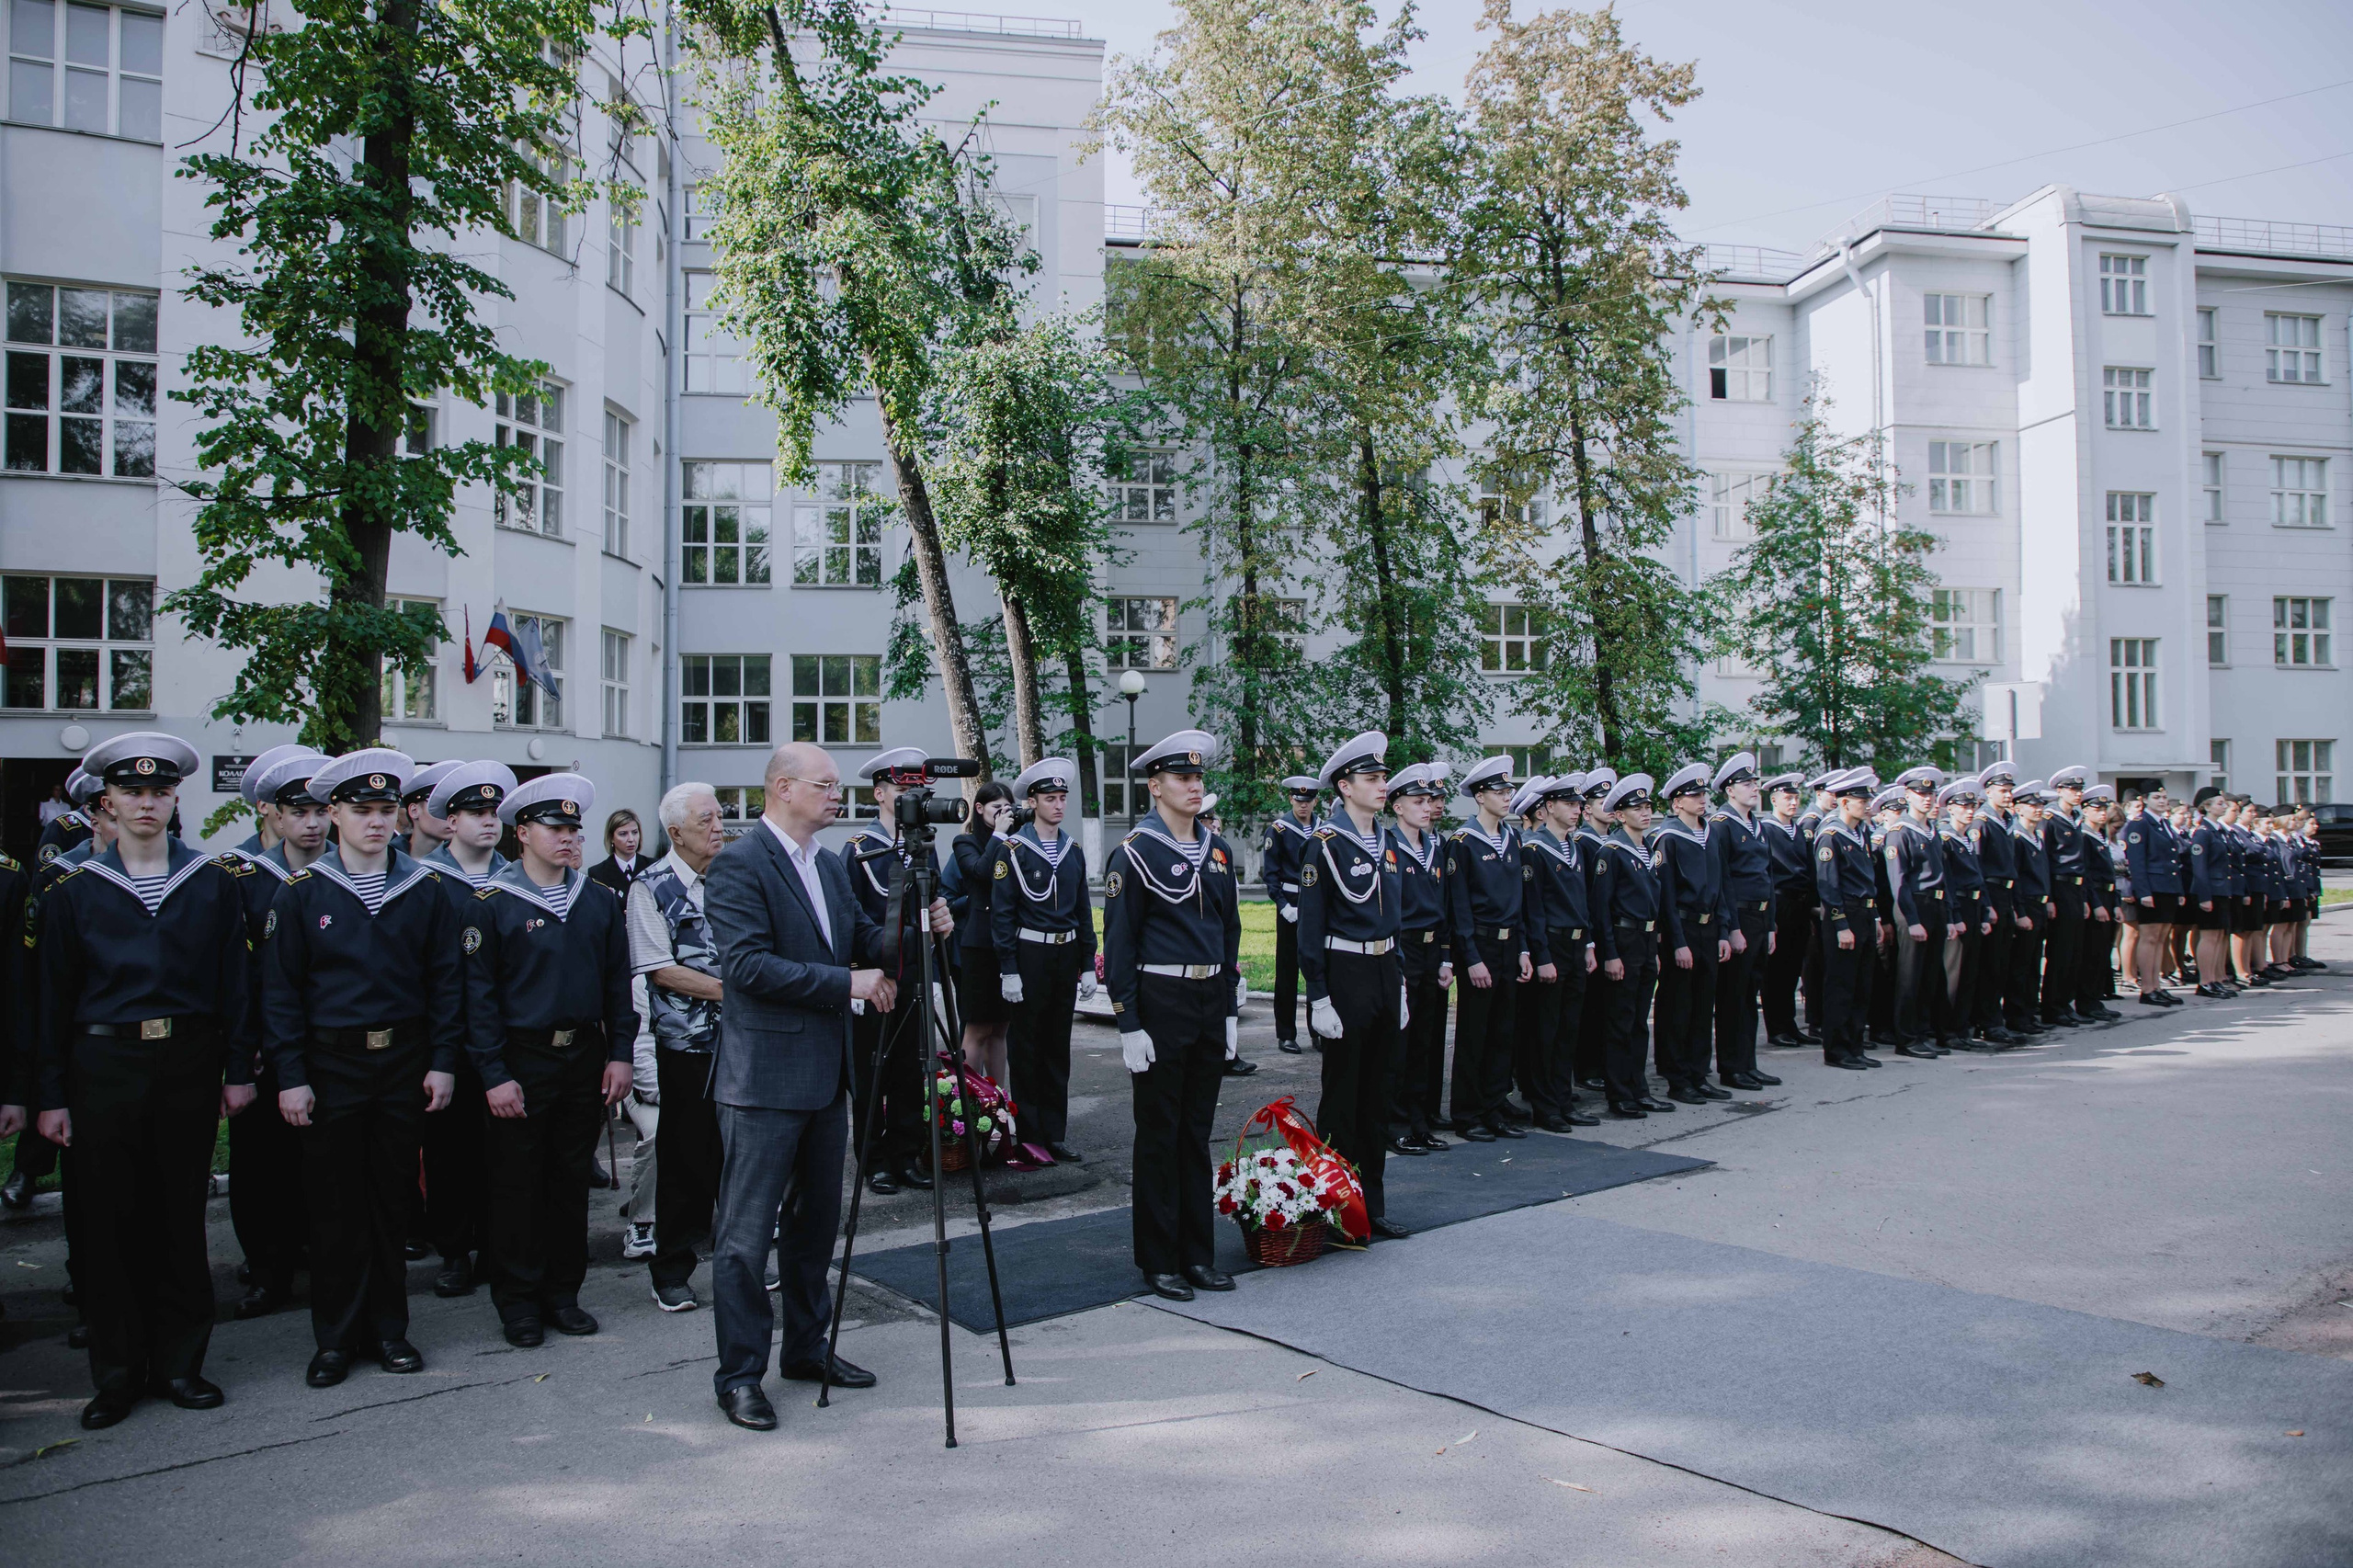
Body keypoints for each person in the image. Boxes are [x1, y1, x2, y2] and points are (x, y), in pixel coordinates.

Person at [35, 733, 252, 1430]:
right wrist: (48, 1094)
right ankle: (117, 1373)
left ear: (173, 801)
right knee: (106, 1224)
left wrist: (239, 1070)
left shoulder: (210, 881)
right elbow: (48, 1001)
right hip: (102, 1067)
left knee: (177, 1218)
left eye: (159, 792)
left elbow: (234, 985)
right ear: (108, 802)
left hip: (186, 1063)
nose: (147, 803)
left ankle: (182, 1362)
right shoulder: (72, 890)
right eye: (133, 792)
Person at [701, 741, 913, 1432]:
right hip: (763, 1077)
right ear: (783, 788)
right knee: (744, 1234)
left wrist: (919, 924)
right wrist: (845, 983)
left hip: (826, 1077)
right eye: (824, 785)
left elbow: (865, 942)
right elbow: (747, 967)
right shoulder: (738, 863)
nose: (837, 795)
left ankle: (805, 1348)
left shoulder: (828, 866)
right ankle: (738, 1375)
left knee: (815, 1226)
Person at [264, 748, 463, 1390]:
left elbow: (445, 983)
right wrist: (291, 1075)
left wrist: (441, 1063)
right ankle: (336, 1339)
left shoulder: (424, 889)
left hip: (403, 1062)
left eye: (384, 810)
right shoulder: (300, 894)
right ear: (334, 815)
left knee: (389, 1205)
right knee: (333, 1208)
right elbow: (280, 994)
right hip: (331, 1065)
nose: (374, 822)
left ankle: (388, 1331)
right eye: (360, 810)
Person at [463, 776, 638, 1349]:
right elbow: (477, 997)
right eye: (555, 829)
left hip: (583, 1055)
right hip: (521, 1058)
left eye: (574, 830)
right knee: (516, 1185)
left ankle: (564, 1293)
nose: (568, 839)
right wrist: (493, 1072)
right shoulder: (491, 903)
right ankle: (517, 1301)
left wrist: (619, 1056)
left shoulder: (597, 900)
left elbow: (618, 984)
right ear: (523, 834)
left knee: (568, 1184)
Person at [1101, 731, 1243, 1302]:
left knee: (1197, 1133)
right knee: (1159, 1136)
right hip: (1161, 1002)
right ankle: (1160, 1260)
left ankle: (1197, 1254)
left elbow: (1229, 933)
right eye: (1182, 778)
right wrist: (1129, 1023)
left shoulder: (1218, 849)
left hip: (1208, 1001)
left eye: (1198, 777)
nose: (1194, 786)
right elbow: (1120, 945)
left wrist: (1230, 1007)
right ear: (1155, 787)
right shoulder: (1133, 852)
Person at [225, 751, 330, 1320]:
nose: (312, 822)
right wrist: (244, 1052)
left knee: (323, 1163)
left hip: (332, 1046)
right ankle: (268, 1270)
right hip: (268, 1048)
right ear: (275, 815)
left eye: (321, 810)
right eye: (299, 810)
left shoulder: (355, 871)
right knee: (262, 1166)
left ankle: (318, 1257)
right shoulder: (242, 879)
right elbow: (236, 978)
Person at [1294, 733, 1409, 1241]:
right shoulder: (1323, 845)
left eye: (1383, 778)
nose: (1382, 786)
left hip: (1384, 973)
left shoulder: (1386, 841)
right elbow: (1310, 926)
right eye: (1372, 779)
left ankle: (1374, 1205)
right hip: (1345, 974)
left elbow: (1396, 918)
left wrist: (1400, 982)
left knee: (1378, 1096)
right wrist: (1317, 995)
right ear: (1345, 786)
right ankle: (1338, 1207)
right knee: (1342, 1098)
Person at [415, 760, 517, 1296]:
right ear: (449, 821)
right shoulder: (424, 881)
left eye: (495, 811)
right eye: (475, 812)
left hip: (505, 1036)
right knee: (450, 1150)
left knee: (502, 1152)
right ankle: (455, 1250)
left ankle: (499, 1247)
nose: (488, 821)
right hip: (448, 1038)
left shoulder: (517, 877)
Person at [629, 783, 728, 1312]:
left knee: (741, 1157)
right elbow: (659, 968)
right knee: (687, 1157)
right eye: (706, 821)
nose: (719, 827)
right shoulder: (651, 886)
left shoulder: (734, 874)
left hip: (742, 1041)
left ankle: (743, 1261)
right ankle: (671, 1268)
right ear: (675, 833)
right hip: (686, 1046)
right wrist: (735, 990)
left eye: (719, 816)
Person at [846, 749, 944, 1195]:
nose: (912, 797)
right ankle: (875, 1161)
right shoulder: (857, 852)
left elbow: (935, 900)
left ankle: (907, 1153)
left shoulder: (922, 845)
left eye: (916, 789)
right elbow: (849, 920)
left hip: (915, 974)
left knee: (912, 1068)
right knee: (872, 1074)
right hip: (872, 979)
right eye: (903, 789)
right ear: (880, 794)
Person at [994, 756, 1098, 1165]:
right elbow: (1002, 914)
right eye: (1050, 798)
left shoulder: (1072, 850)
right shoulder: (1014, 850)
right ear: (1032, 802)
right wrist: (1009, 969)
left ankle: (1055, 1134)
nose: (1058, 805)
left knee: (1057, 1047)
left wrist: (1087, 961)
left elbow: (1083, 909)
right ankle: (1029, 1136)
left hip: (1064, 953)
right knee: (1026, 1047)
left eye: (1062, 798)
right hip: (1030, 955)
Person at [1445, 756, 1533, 1141]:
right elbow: (1458, 907)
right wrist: (1471, 958)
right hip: (1479, 943)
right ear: (1480, 797)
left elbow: (1520, 901)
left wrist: (1525, 949)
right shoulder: (1462, 842)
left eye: (1509, 790)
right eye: (1500, 792)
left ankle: (1495, 1107)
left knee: (1503, 1031)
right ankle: (1467, 1113)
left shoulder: (1512, 837)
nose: (1507, 797)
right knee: (1474, 1033)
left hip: (1510, 943)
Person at [1650, 764, 1733, 1103]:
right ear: (1676, 803)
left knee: (1703, 1005)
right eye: (1694, 796)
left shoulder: (1710, 833)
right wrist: (1678, 942)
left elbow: (1722, 884)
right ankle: (1677, 1076)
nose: (1702, 801)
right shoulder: (1668, 838)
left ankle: (1698, 1073)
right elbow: (1665, 896)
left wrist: (1725, 929)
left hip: (1709, 926)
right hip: (1681, 927)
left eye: (1703, 795)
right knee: (1678, 1005)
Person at [1521, 773, 1600, 1129]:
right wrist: (1542, 957)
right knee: (1545, 1030)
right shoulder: (1534, 850)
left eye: (1579, 805)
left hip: (1575, 942)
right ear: (1548, 807)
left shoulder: (1577, 847)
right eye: (1569, 804)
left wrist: (1589, 943)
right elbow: (1532, 909)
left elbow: (1584, 900)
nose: (1576, 811)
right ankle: (1544, 1105)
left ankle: (1563, 1099)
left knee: (1569, 1027)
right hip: (1550, 945)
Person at [1592, 773, 1673, 1115]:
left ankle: (1639, 1088)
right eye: (1636, 808)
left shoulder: (1647, 850)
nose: (1645, 812)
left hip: (1645, 938)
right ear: (1620, 815)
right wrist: (1610, 954)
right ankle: (1619, 1093)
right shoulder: (1610, 852)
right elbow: (1601, 909)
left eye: (1647, 806)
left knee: (1640, 1020)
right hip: (1623, 939)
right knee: (1620, 1020)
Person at [1383, 762, 1452, 1153]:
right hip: (1402, 947)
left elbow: (1442, 907)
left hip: (1429, 950)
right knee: (1401, 1043)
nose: (1427, 808)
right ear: (1398, 807)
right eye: (1417, 801)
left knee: (1425, 1041)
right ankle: (1396, 1126)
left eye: (1429, 801)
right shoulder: (1388, 846)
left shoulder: (1434, 848)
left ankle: (1420, 1122)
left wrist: (1445, 956)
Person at [1708, 753, 1779, 1089]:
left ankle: (1748, 1062)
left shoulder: (1758, 825)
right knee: (1733, 995)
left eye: (1755, 782)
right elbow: (1722, 882)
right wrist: (1731, 928)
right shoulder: (1721, 826)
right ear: (1729, 791)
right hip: (1740, 917)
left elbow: (1768, 875)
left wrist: (1772, 924)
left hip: (1761, 917)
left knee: (1751, 993)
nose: (1755, 788)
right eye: (1747, 784)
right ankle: (1731, 1066)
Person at [1813, 768, 1885, 1071]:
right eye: (1860, 799)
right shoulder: (1831, 835)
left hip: (1865, 913)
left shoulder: (1861, 833)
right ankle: (1837, 1049)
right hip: (1845, 914)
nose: (1867, 804)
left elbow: (1869, 879)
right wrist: (1841, 924)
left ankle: (1855, 1045)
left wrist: (1877, 917)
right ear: (1843, 802)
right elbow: (1828, 886)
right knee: (1841, 985)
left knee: (1861, 984)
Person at [1885, 765, 1957, 1058]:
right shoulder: (1900, 832)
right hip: (1914, 905)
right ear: (1907, 796)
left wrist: (1949, 916)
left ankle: (1922, 1032)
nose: (1927, 798)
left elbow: (1944, 877)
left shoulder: (1931, 831)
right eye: (1920, 793)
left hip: (1936, 905)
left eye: (1930, 793)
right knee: (1909, 977)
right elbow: (1898, 881)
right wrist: (1912, 920)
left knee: (1929, 976)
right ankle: (1906, 1038)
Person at [949, 780, 1016, 1086]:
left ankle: (999, 1100)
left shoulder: (1016, 840)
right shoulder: (966, 843)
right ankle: (969, 1103)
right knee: (977, 1028)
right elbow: (980, 871)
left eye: (1007, 808)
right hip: (978, 946)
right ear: (979, 809)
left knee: (1001, 1028)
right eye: (996, 808)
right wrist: (999, 834)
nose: (1003, 814)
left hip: (1008, 944)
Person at [1937, 775, 1997, 1048]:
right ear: (1950, 808)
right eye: (1964, 806)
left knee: (1970, 973)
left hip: (1973, 906)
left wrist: (1984, 911)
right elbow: (1947, 883)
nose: (1969, 811)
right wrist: (1954, 918)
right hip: (1959, 908)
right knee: (1955, 975)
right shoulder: (1946, 839)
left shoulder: (1967, 839)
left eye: (1973, 807)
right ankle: (1948, 1031)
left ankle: (1962, 1028)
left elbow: (1978, 879)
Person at [1261, 777, 1319, 1054]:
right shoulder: (1279, 830)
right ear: (1291, 800)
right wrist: (1283, 905)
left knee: (1318, 968)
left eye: (1308, 801)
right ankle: (1286, 1033)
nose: (1303, 806)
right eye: (1299, 800)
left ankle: (1318, 1031)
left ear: (1315, 802)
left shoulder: (1323, 829)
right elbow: (1270, 874)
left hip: (1316, 904)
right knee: (1287, 971)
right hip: (1290, 904)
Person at [1759, 772, 1814, 1050]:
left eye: (1796, 797)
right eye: (1787, 798)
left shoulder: (1799, 830)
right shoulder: (1767, 829)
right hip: (1780, 902)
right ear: (1774, 799)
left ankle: (1789, 1023)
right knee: (1776, 969)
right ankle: (1776, 1027)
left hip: (1800, 902)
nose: (1793, 803)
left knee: (1793, 965)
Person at [2040, 766, 2093, 1028]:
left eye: (2080, 789)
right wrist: (2048, 897)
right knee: (2060, 950)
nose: (2078, 794)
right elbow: (2046, 859)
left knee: (2074, 950)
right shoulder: (2050, 818)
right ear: (2059, 791)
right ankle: (2052, 1005)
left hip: (2076, 887)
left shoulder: (2077, 819)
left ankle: (2065, 1002)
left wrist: (2083, 897)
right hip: (2059, 887)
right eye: (2072, 789)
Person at [2007, 782, 2056, 1034]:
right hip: (2025, 903)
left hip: (2039, 902)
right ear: (2018, 809)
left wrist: (2047, 900)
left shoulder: (2037, 835)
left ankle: (2028, 1011)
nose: (2038, 809)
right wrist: (2020, 912)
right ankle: (2017, 1015)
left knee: (2033, 962)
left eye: (2040, 805)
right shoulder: (2017, 837)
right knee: (2021, 964)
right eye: (2032, 805)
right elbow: (2014, 878)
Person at [35, 766, 98, 867]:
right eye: (56, 790)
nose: (58, 792)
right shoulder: (58, 823)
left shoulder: (66, 806)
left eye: (60, 790)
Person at [401, 761, 464, 861]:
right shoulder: (389, 860)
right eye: (436, 806)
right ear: (414, 810)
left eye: (452, 807)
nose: (449, 815)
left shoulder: (465, 863)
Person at [589, 809, 647, 896]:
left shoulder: (654, 866)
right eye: (623, 834)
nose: (631, 839)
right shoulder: (598, 873)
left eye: (635, 832)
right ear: (611, 838)